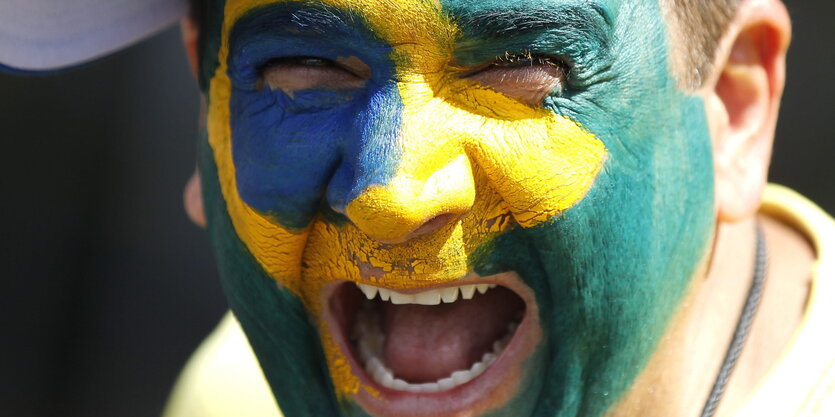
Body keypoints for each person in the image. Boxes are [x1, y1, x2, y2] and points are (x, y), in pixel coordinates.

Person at [2, 0, 833, 416]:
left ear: (731, 106)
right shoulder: (233, 390)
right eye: (303, 73)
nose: (393, 193)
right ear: (205, 121)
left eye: (519, 71)